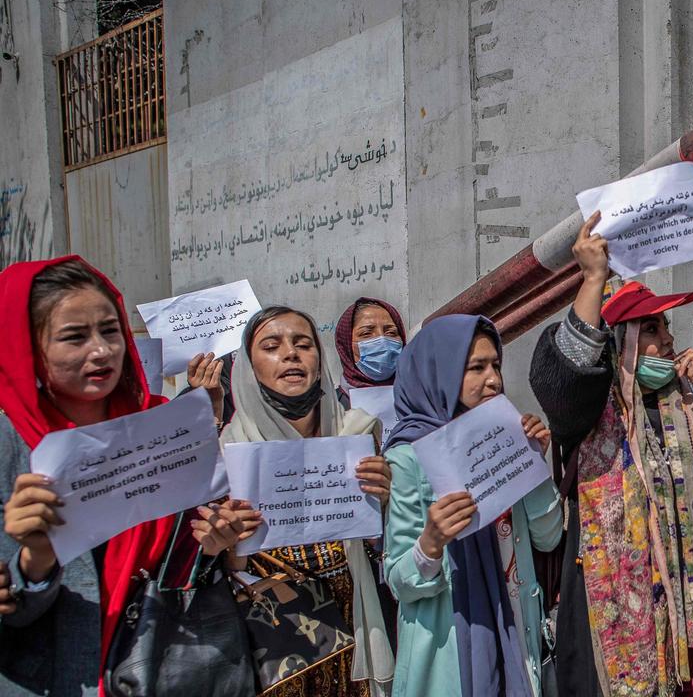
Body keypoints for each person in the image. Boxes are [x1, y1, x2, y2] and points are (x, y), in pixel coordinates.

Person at [529, 213, 693, 697]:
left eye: (666, 327)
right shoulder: (591, 416)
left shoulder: (686, 407)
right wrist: (594, 279)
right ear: (619, 345)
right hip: (615, 617)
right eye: (651, 329)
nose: (667, 340)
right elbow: (563, 380)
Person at [0, 256, 203, 695]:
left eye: (110, 331)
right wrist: (34, 560)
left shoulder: (161, 423)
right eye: (74, 337)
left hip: (159, 669)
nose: (102, 350)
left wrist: (219, 538)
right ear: (28, 347)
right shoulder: (8, 444)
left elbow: (188, 557)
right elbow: (14, 609)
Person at [200, 306, 396, 696]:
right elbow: (224, 573)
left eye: (303, 344)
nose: (291, 354)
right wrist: (226, 545)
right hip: (277, 641)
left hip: (355, 619)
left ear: (320, 361)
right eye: (272, 346)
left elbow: (385, 549)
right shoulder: (225, 457)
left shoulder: (357, 435)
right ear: (248, 368)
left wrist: (388, 504)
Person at [382, 314, 561, 697]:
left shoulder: (505, 439)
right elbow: (398, 580)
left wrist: (535, 466)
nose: (494, 379)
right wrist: (429, 544)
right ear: (439, 372)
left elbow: (547, 539)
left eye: (495, 365)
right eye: (476, 367)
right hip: (452, 650)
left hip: (516, 630)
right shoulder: (410, 457)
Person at [334, 298, 406, 409]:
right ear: (346, 345)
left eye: (391, 332)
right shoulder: (329, 409)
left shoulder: (422, 402)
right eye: (366, 333)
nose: (382, 340)